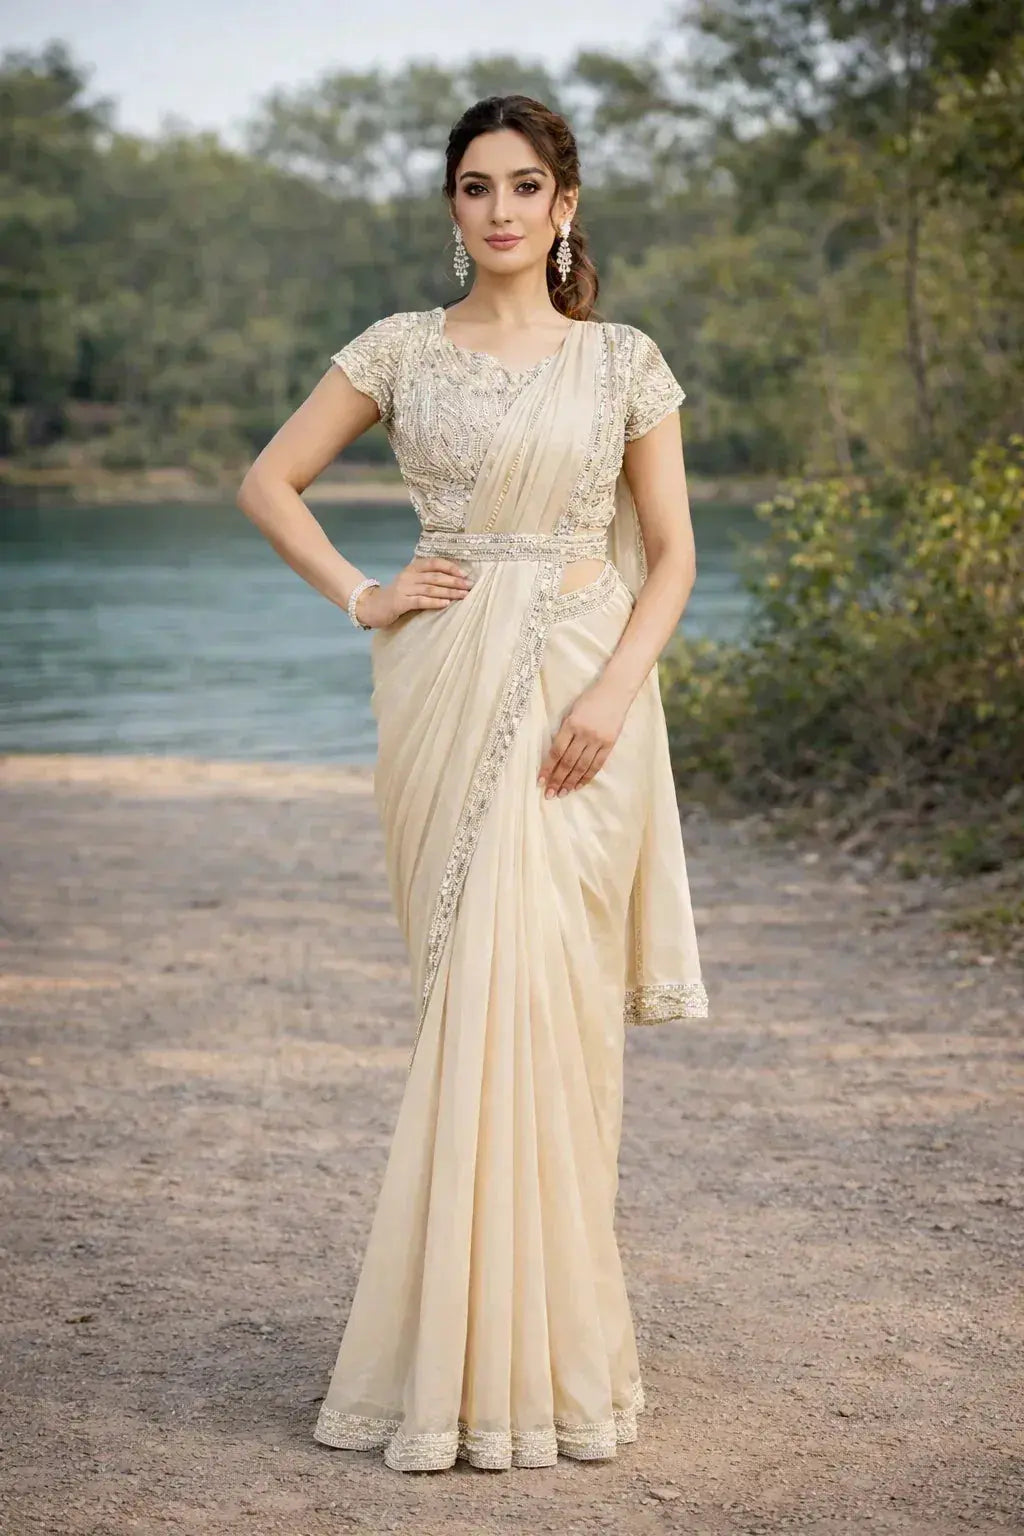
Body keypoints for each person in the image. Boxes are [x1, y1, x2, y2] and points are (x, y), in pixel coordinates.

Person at [236, 92, 708, 1474]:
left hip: (584, 703)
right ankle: (450, 1366)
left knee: (556, 1013)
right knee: (471, 1007)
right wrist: (362, 595)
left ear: (567, 207)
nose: (498, 208)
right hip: (441, 685)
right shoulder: (398, 349)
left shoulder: (624, 359)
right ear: (453, 211)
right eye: (472, 186)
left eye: (523, 185)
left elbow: (671, 553)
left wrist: (614, 692)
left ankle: (559, 1364)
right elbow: (271, 482)